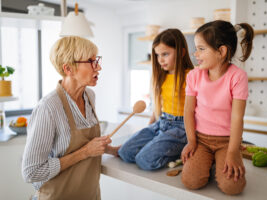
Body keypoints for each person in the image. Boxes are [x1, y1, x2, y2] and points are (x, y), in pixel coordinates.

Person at [22, 36, 117, 200]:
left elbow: (86, 144)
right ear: (68, 69)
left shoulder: (90, 96)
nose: (99, 67)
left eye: (97, 60)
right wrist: (85, 152)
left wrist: (113, 150)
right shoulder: (48, 108)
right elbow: (32, 172)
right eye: (91, 61)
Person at [181, 20, 254, 195]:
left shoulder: (238, 77)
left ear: (221, 51)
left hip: (227, 142)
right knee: (190, 181)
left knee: (233, 187)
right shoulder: (193, 76)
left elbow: (237, 118)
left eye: (201, 49)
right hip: (201, 140)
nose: (195, 53)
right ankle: (211, 162)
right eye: (196, 48)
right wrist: (191, 141)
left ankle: (217, 162)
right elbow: (188, 111)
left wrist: (233, 151)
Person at [117, 29, 194, 170]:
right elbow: (158, 108)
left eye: (165, 54)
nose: (160, 60)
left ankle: (177, 153)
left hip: (182, 127)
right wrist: (149, 128)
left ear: (182, 52)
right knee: (125, 152)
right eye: (158, 55)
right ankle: (159, 145)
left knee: (144, 161)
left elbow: (198, 110)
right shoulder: (162, 77)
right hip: (162, 122)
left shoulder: (191, 76)